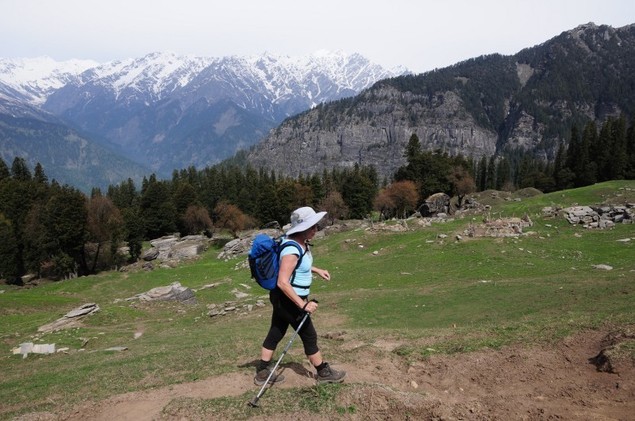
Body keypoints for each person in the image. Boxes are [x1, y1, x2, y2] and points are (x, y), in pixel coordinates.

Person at [254, 206, 346, 386]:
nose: (316, 229)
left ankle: (262, 371)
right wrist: (302, 305)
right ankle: (323, 372)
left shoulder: (298, 244)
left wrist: (316, 270)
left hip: (283, 299)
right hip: (289, 300)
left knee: (276, 331)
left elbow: (296, 266)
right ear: (302, 228)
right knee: (309, 335)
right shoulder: (292, 249)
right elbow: (282, 281)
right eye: (312, 226)